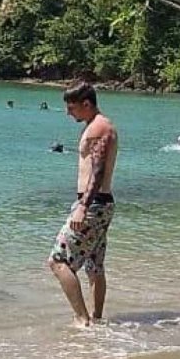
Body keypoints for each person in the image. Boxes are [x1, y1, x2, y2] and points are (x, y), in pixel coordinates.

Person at [47, 81, 119, 327]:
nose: (68, 113)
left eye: (72, 108)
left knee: (58, 261)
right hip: (102, 204)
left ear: (86, 104)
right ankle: (97, 320)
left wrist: (82, 206)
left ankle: (82, 320)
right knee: (94, 265)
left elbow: (97, 172)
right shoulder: (99, 125)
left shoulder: (99, 128)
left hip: (93, 204)